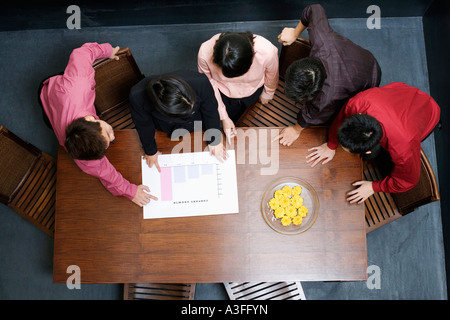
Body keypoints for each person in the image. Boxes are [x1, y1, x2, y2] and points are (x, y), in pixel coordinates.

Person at [39, 42, 156, 207]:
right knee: (48, 118)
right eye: (109, 134)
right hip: (49, 100)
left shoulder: (79, 81)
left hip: (60, 93)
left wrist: (107, 51)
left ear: (90, 120)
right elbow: (105, 172)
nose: (113, 135)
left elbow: (82, 52)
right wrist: (130, 191)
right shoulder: (83, 153)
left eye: (108, 133)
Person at [305, 82, 440, 204]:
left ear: (368, 151)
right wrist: (331, 145)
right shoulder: (358, 103)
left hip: (426, 112)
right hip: (402, 95)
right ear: (355, 116)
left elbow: (408, 181)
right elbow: (341, 119)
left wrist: (374, 187)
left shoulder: (403, 149)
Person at [275, 4, 381, 146]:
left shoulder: (327, 97)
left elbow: (310, 115)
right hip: (362, 60)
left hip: (369, 80)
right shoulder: (322, 39)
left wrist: (296, 130)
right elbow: (314, 9)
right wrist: (295, 33)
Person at [129, 70, 227, 171]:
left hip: (197, 120)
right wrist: (151, 151)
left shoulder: (200, 81)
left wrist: (214, 140)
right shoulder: (137, 96)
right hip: (166, 125)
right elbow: (144, 126)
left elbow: (210, 110)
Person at [198, 31, 279, 143]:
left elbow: (272, 73)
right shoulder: (204, 54)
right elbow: (209, 85)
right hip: (224, 94)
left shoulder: (267, 51)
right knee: (233, 118)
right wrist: (224, 116)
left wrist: (268, 92)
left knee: (250, 115)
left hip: (254, 90)